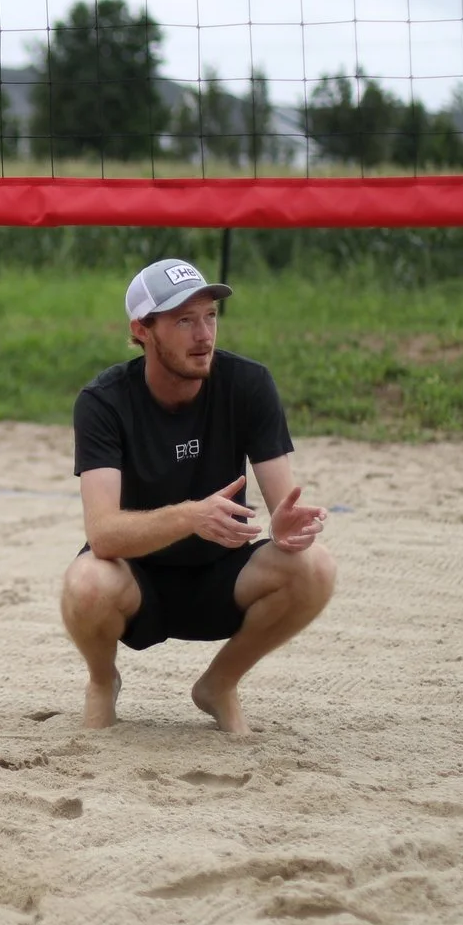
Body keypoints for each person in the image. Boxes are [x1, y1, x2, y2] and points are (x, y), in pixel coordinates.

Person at [60, 258, 336, 734]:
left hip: (221, 577)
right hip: (137, 578)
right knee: (86, 583)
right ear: (142, 330)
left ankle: (219, 684)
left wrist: (286, 528)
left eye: (210, 315)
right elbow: (103, 534)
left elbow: (282, 503)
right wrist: (191, 516)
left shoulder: (248, 384)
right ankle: (103, 682)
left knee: (316, 567)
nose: (204, 334)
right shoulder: (103, 401)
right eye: (183, 320)